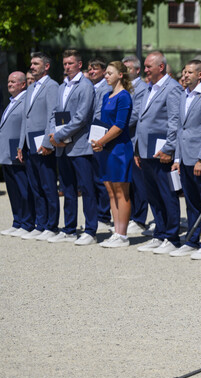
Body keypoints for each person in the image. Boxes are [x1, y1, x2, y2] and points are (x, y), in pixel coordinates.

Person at [134, 51, 184, 255]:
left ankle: (172, 236)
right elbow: (141, 119)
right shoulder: (148, 88)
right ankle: (160, 233)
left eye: (148, 66)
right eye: (145, 66)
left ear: (160, 67)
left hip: (161, 149)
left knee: (167, 194)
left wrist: (169, 148)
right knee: (152, 194)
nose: (145, 70)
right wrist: (137, 148)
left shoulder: (172, 88)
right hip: (146, 150)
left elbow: (174, 122)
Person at [169, 59, 201, 260]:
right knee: (190, 201)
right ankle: (192, 238)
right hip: (185, 158)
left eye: (190, 72)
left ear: (200, 75)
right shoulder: (184, 95)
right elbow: (181, 129)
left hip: (200, 159)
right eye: (184, 72)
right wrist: (177, 157)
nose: (185, 75)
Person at [48, 49, 99, 246]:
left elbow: (81, 117)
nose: (67, 66)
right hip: (62, 146)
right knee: (67, 188)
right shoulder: (62, 87)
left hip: (79, 145)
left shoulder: (85, 86)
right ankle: (69, 229)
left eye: (70, 63)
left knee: (86, 188)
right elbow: (55, 113)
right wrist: (53, 135)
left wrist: (60, 135)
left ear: (79, 64)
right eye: (65, 63)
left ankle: (90, 230)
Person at [17, 52, 60, 241]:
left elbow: (54, 115)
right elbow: (25, 120)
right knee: (35, 186)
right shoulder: (31, 87)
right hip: (28, 144)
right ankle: (40, 224)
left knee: (48, 185)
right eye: (31, 63)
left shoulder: (52, 86)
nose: (32, 66)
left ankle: (51, 225)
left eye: (36, 63)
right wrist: (20, 145)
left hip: (43, 144)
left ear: (46, 66)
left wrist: (48, 142)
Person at [91, 61, 134, 248]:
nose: (106, 76)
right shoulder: (107, 96)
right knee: (110, 190)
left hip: (119, 149)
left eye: (109, 73)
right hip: (106, 148)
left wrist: (101, 141)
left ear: (120, 75)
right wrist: (98, 141)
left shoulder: (124, 96)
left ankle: (122, 234)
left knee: (121, 191)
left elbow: (119, 125)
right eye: (106, 73)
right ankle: (116, 231)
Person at [0, 72, 33, 237]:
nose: (10, 84)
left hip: (17, 149)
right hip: (6, 151)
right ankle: (17, 221)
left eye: (13, 81)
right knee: (12, 189)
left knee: (22, 188)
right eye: (8, 81)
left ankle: (27, 222)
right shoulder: (11, 101)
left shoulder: (26, 100)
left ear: (23, 84)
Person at [122, 55, 151, 236]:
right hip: (124, 140)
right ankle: (131, 216)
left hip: (135, 141)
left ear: (137, 70)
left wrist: (116, 126)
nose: (125, 72)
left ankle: (140, 219)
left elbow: (136, 114)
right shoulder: (123, 87)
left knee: (139, 183)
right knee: (128, 182)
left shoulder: (142, 88)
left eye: (128, 69)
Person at [88, 57, 113, 230]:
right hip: (88, 137)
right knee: (91, 179)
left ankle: (104, 215)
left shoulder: (107, 88)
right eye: (90, 69)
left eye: (95, 69)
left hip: (100, 136)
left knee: (101, 179)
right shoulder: (89, 87)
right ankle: (96, 214)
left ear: (104, 71)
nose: (91, 72)